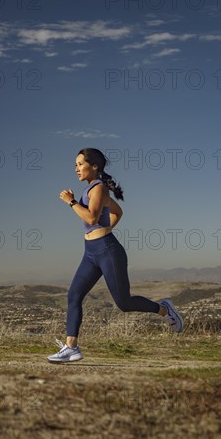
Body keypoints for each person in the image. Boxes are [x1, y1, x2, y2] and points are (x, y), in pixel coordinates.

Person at [47, 148, 184, 363]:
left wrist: (71, 202)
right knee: (74, 295)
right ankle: (71, 347)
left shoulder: (99, 188)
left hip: (108, 251)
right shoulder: (91, 190)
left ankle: (164, 310)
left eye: (80, 164)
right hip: (90, 252)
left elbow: (91, 218)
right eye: (75, 165)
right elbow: (117, 213)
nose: (76, 169)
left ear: (94, 167)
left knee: (124, 302)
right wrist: (104, 227)